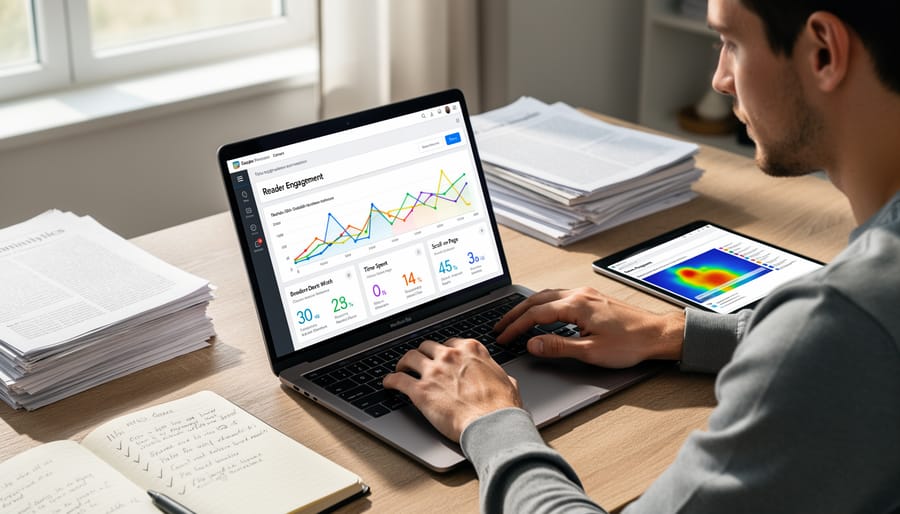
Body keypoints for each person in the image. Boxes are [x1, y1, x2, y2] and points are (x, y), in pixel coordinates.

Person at [384, 0, 900, 512]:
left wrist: (489, 421)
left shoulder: (840, 317)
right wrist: (672, 334)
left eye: (733, 44)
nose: (721, 78)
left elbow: (836, 342)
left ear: (824, 54)